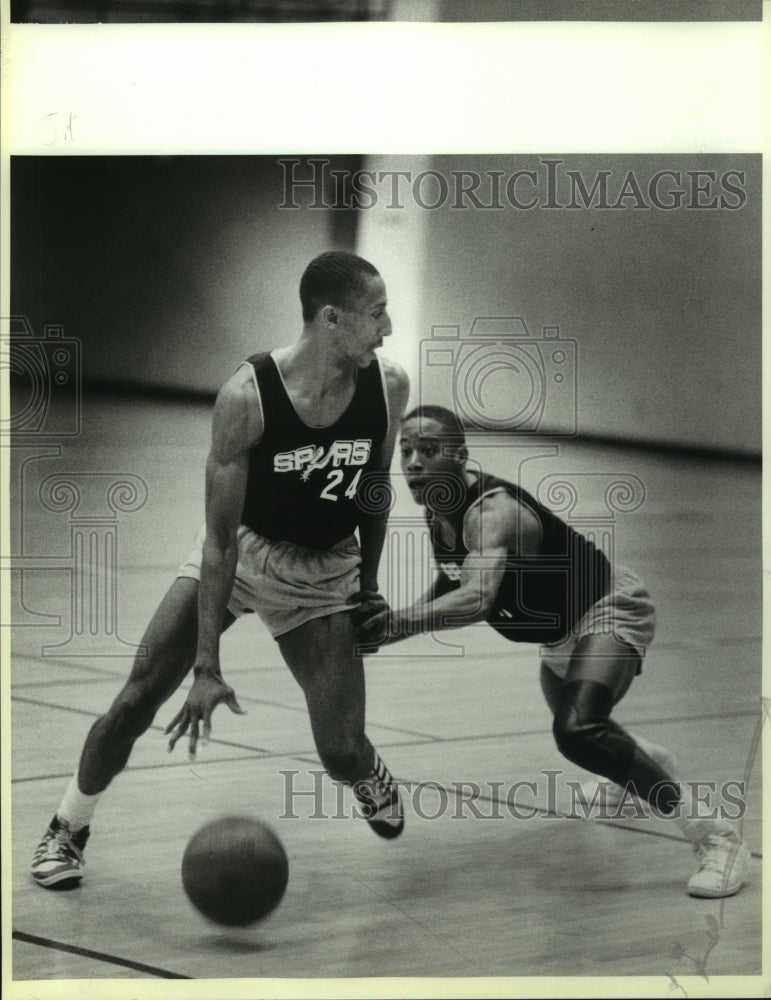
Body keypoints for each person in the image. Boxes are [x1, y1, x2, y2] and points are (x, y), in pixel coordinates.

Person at [31, 250, 411, 888]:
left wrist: (368, 587)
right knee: (137, 698)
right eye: (377, 314)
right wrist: (207, 664)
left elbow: (374, 488)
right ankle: (67, 829)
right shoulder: (248, 397)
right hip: (245, 551)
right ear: (331, 320)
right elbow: (218, 542)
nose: (388, 327)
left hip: (325, 571)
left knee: (343, 750)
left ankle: (368, 775)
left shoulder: (388, 386)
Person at [354, 404, 751, 899]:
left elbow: (477, 598)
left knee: (579, 729)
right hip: (559, 632)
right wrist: (391, 631)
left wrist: (393, 623)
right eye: (407, 450)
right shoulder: (441, 508)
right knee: (585, 732)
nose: (413, 462)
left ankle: (715, 836)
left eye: (429, 450)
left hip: (608, 608)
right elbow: (452, 579)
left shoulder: (491, 512)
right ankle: (643, 769)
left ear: (460, 456)